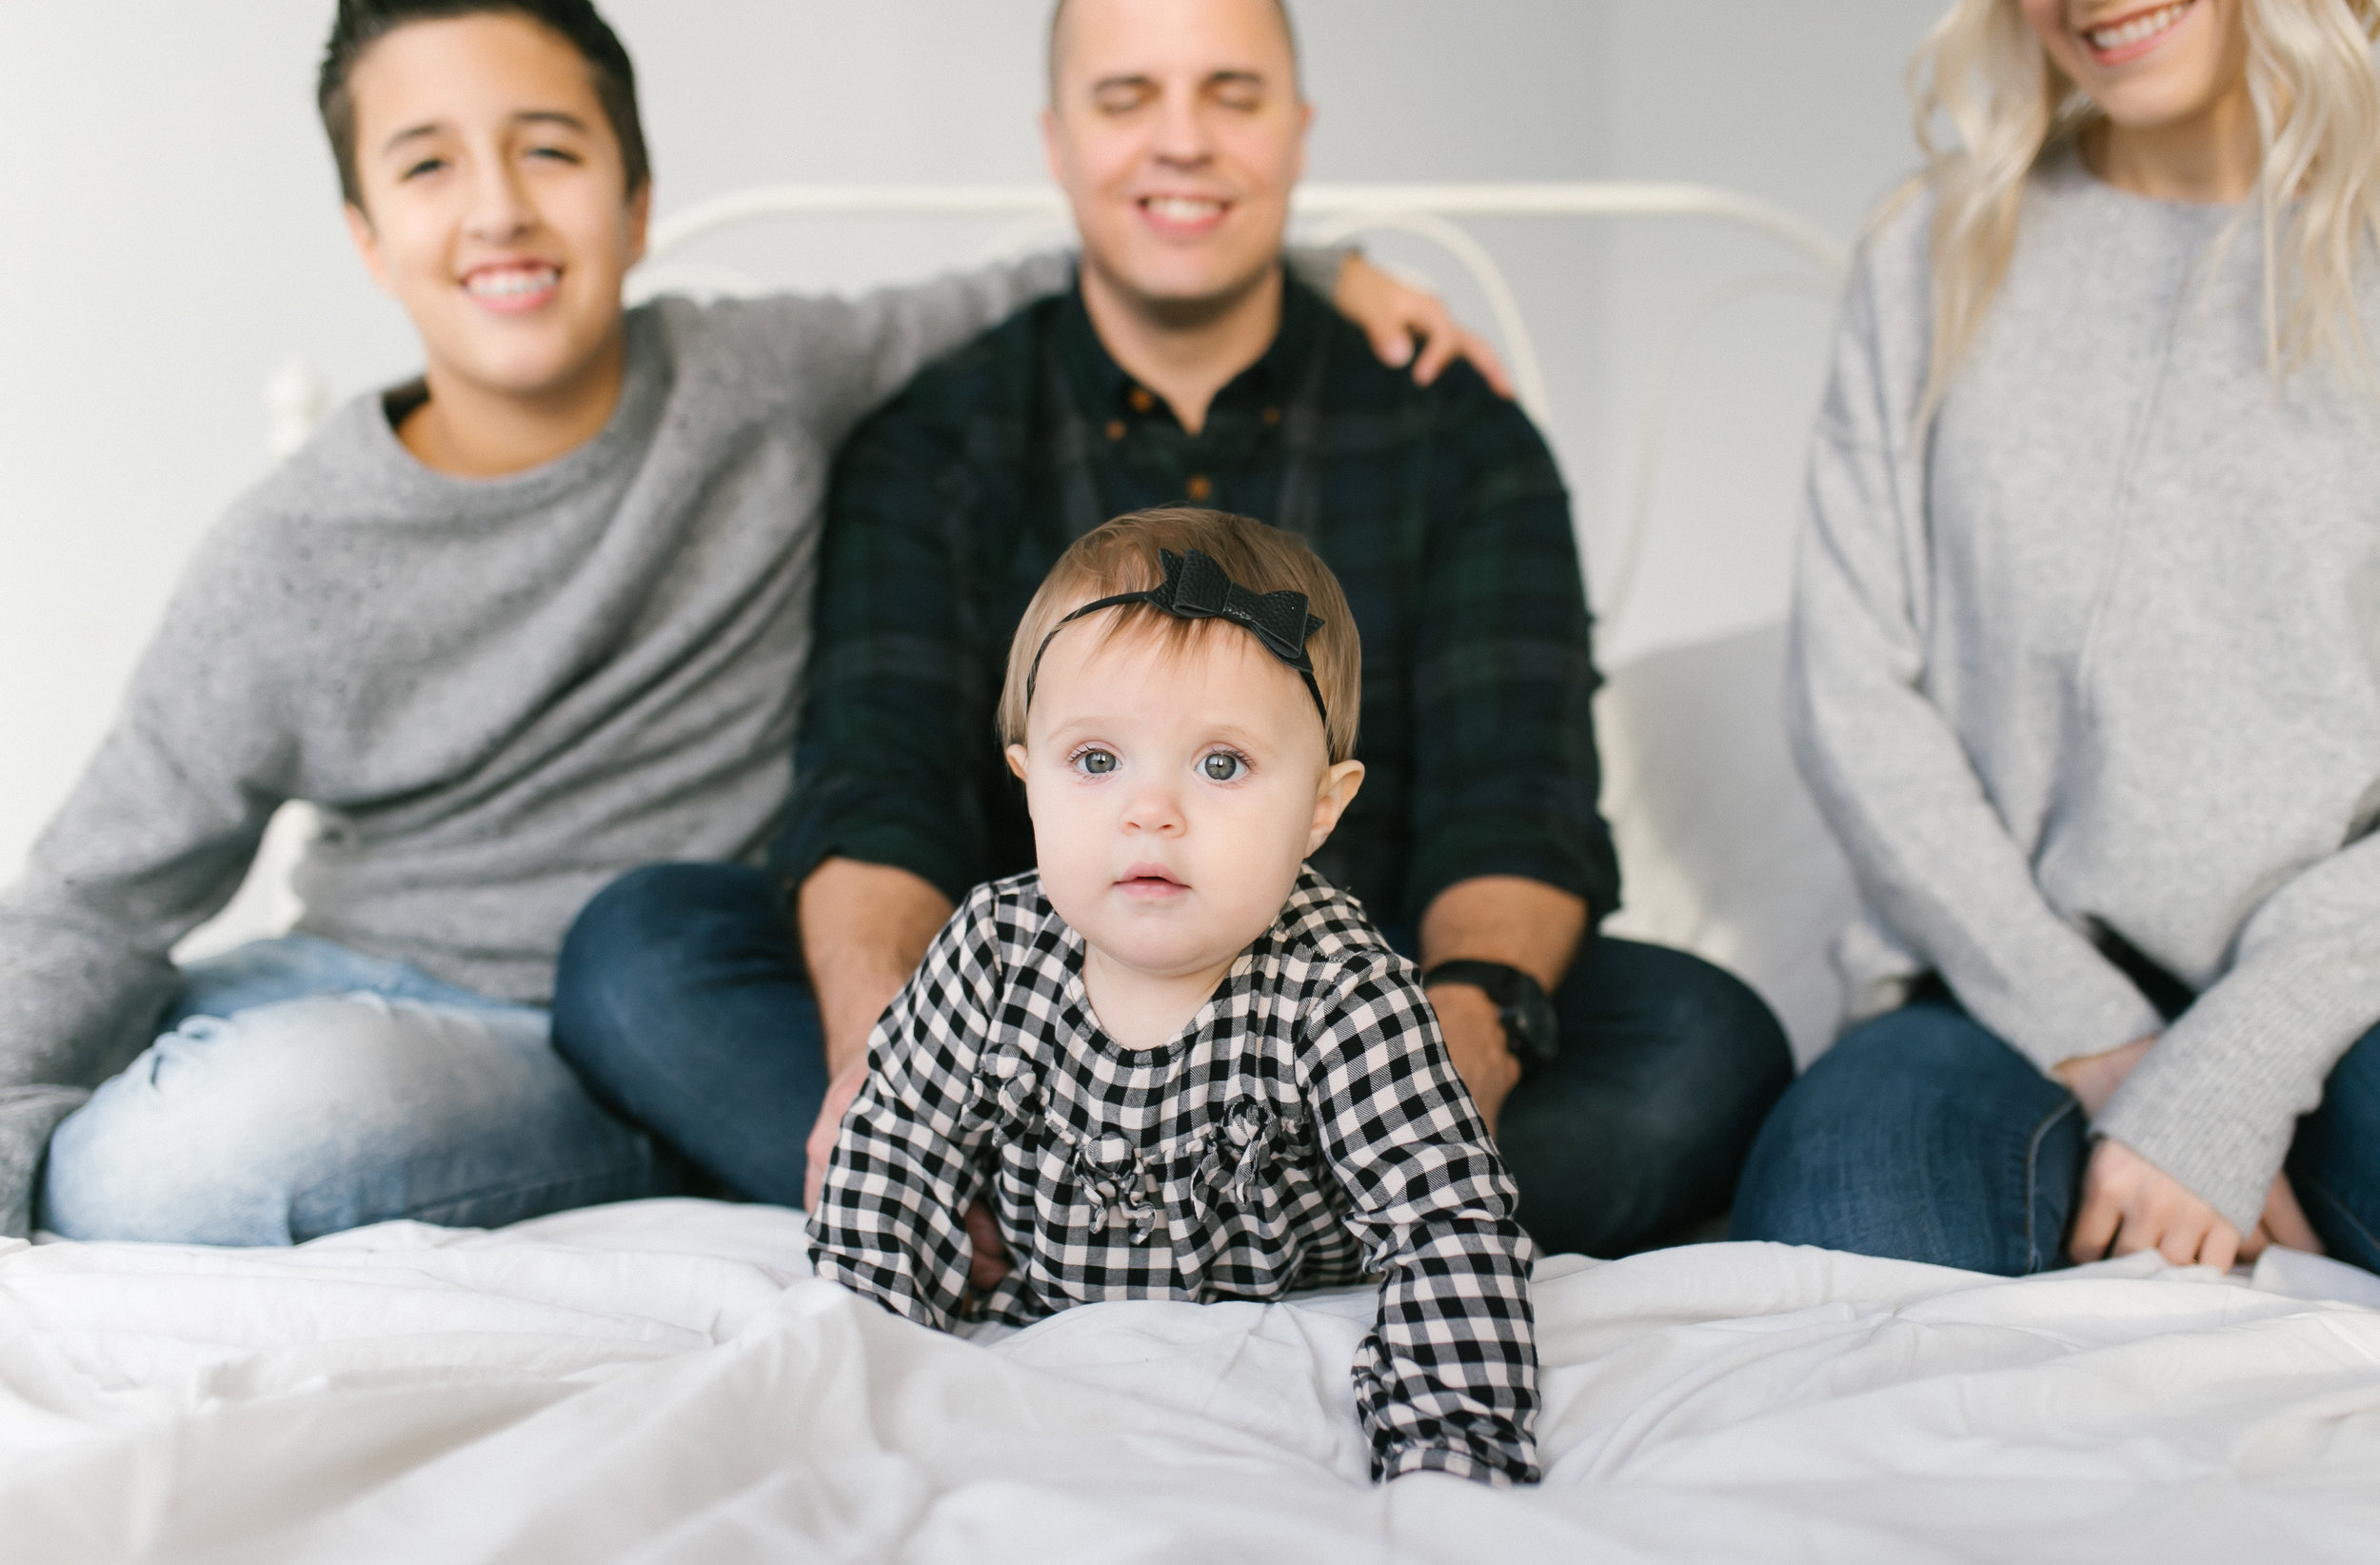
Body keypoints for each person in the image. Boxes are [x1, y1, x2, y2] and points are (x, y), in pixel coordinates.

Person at [0, 0, 1478, 1245]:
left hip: (585, 1022)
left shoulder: (757, 378)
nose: (501, 207)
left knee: (179, 1159)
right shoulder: (288, 551)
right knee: (104, 1052)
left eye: (551, 151)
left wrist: (1319, 265)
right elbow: (98, 890)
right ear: (370, 236)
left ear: (638, 202)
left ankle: (672, 1145)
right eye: (429, 165)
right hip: (334, 962)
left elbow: (1044, 279)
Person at [556, 0, 1793, 1258]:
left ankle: (1084, 1239)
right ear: (1056, 140)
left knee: (1706, 1036)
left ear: (1298, 134)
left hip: (1364, 1041)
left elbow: (1518, 793)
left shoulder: (1458, 440)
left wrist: (1456, 1052)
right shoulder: (935, 438)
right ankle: (1076, 1206)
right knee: (641, 952)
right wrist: (891, 1076)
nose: (1183, 141)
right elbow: (881, 784)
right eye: (1127, 97)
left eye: (1233, 96)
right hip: (1020, 1050)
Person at [1734, 0, 2380, 1276]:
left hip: (2345, 981)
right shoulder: (1928, 245)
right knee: (1841, 1258)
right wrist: (2101, 1037)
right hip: (1989, 994)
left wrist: (2230, 1072)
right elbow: (1851, 694)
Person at [809, 508, 1539, 1486]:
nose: (1150, 810)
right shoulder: (990, 947)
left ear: (1322, 805)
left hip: (1269, 1325)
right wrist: (857, 1382)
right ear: (1027, 785)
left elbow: (1443, 1218)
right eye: (1097, 760)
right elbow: (893, 1154)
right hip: (1040, 1326)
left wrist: (1448, 1451)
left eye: (1221, 763)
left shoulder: (1339, 984)